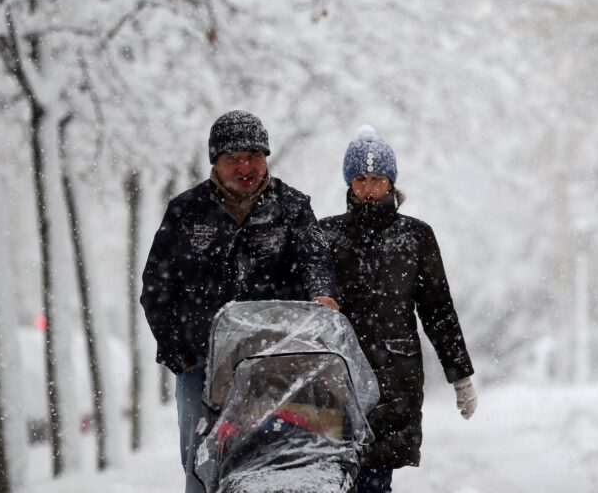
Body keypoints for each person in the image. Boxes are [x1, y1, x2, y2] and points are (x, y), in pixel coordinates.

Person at [140, 110, 339, 493]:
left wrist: (322, 295)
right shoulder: (186, 210)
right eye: (234, 158)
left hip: (276, 364)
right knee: (201, 466)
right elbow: (157, 288)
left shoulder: (293, 208)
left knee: (272, 462)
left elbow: (317, 263)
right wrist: (178, 353)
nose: (245, 167)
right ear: (215, 161)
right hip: (202, 366)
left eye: (254, 156)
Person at [318, 125, 477, 493]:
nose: (369, 188)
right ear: (349, 182)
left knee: (375, 478)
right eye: (360, 179)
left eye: (377, 179)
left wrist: (460, 375)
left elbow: (438, 310)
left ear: (391, 182)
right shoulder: (326, 235)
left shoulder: (416, 236)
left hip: (394, 377)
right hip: (338, 378)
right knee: (334, 476)